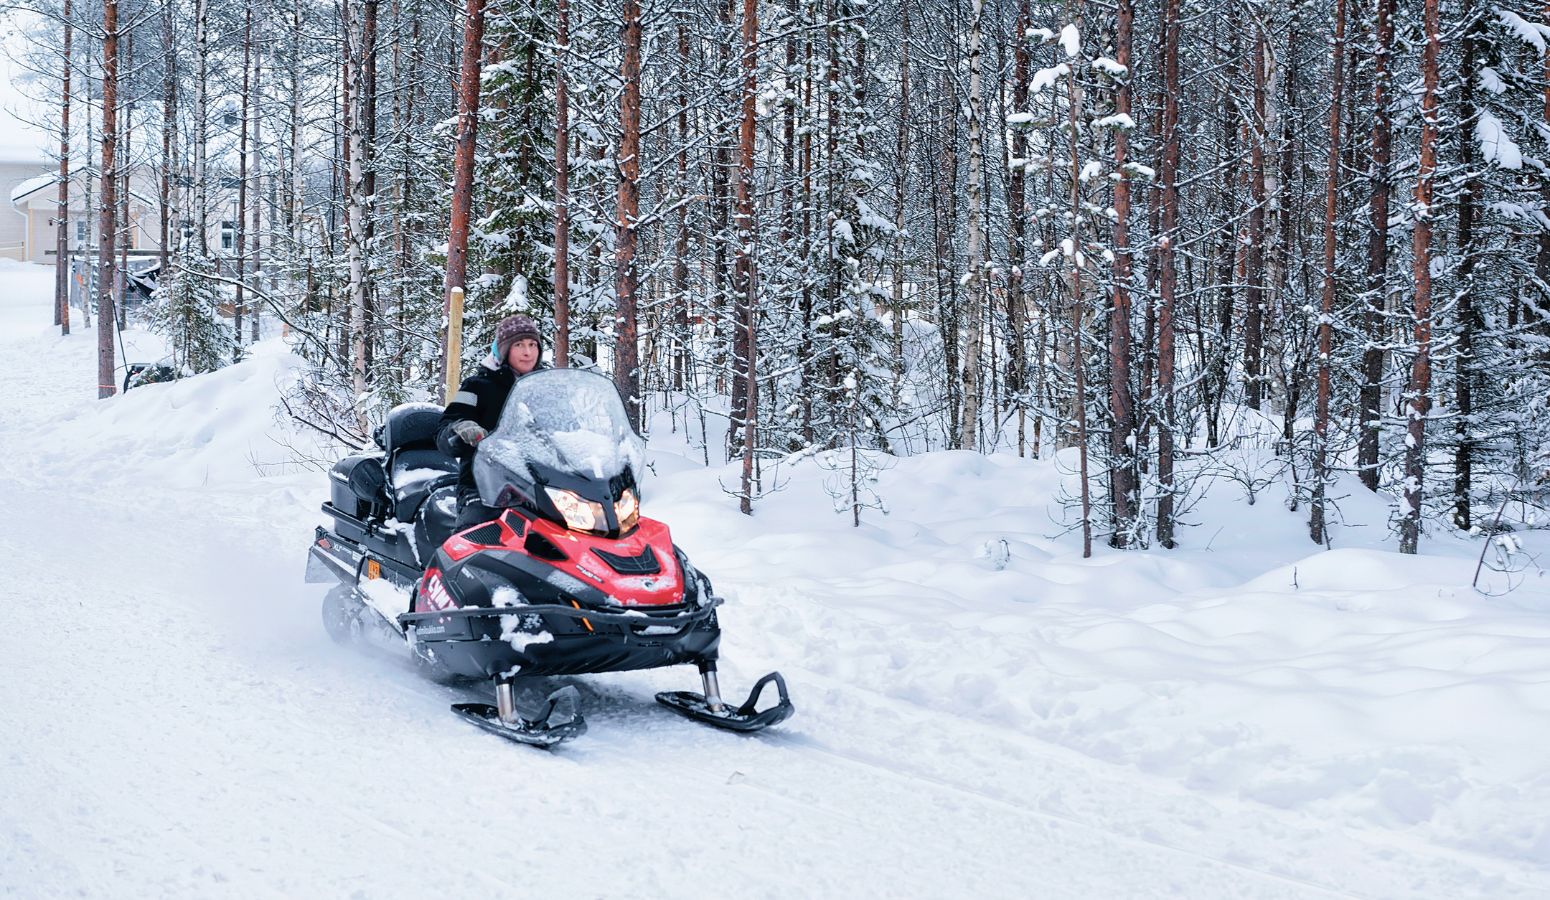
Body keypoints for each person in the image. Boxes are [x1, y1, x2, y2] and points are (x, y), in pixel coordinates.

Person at [436, 313, 547, 528]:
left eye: (533, 344)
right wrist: (459, 430)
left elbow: (569, 429)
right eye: (519, 345)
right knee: (476, 534)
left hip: (543, 486)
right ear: (505, 350)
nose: (528, 352)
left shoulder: (547, 387)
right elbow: (444, 430)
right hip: (484, 487)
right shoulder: (478, 386)